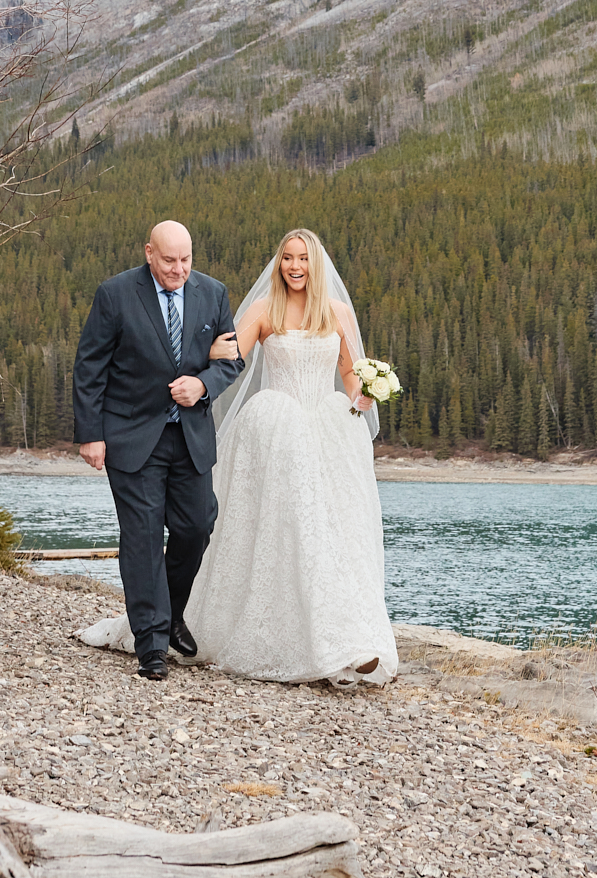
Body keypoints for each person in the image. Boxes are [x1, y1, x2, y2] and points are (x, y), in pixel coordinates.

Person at [184, 227, 397, 684]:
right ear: (278, 263)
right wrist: (204, 348)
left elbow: (349, 373)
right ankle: (308, 641)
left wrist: (365, 395)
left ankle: (349, 641)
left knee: (335, 531)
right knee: (289, 529)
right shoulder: (264, 310)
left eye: (302, 258)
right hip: (276, 428)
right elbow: (231, 358)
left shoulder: (337, 312)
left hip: (326, 427)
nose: (294, 266)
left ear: (315, 263)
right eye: (287, 258)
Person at [72, 220, 241, 680]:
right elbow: (90, 367)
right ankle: (151, 646)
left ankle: (170, 613)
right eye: (169, 260)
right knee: (143, 538)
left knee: (197, 526)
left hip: (190, 437)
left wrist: (203, 384)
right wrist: (91, 434)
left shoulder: (214, 294)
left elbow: (232, 359)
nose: (179, 269)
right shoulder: (115, 293)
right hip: (131, 437)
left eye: (186, 260)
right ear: (149, 252)